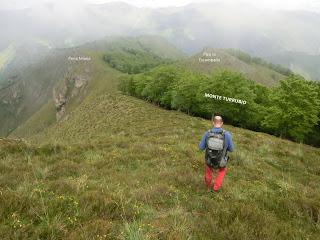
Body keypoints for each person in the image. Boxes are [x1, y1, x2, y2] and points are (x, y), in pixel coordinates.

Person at [199, 114, 234, 192]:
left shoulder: (207, 133)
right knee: (222, 170)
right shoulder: (227, 134)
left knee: (208, 168)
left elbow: (201, 148)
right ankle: (215, 188)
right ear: (221, 123)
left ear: (213, 122)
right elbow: (231, 149)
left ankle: (207, 185)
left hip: (209, 159)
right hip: (221, 161)